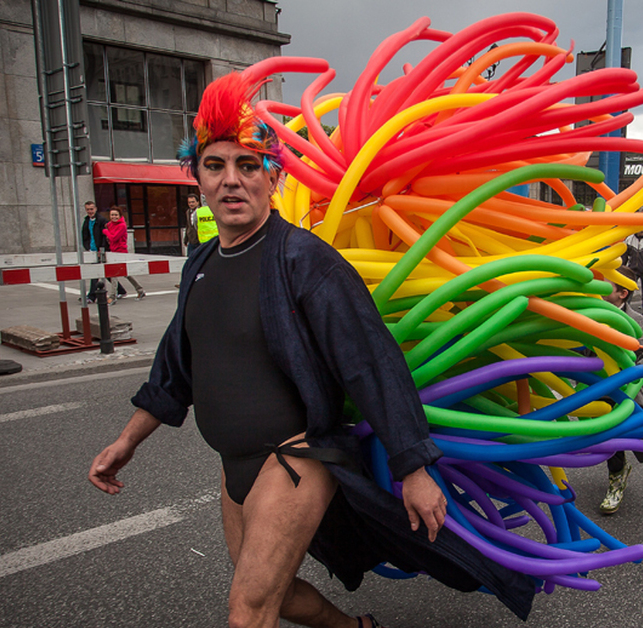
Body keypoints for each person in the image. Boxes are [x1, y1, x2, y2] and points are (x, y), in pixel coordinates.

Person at [86, 72, 535, 628]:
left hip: (293, 461)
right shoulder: (198, 267)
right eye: (215, 165)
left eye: (248, 166)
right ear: (195, 178)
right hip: (235, 468)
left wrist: (415, 468)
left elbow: (370, 363)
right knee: (268, 593)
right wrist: (126, 441)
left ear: (271, 177)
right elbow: (174, 371)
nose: (232, 181)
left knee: (247, 611)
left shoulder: (303, 261)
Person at [597, 266, 643, 513]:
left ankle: (616, 476)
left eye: (605, 285)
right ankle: (617, 467)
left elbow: (641, 347)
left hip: (623, 385)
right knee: (600, 431)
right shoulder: (588, 312)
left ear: (622, 293)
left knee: (617, 430)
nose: (598, 287)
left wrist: (628, 346)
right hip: (593, 382)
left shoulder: (634, 319)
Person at [79, 200, 128, 303]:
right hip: (92, 250)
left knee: (95, 272)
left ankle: (91, 296)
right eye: (88, 209)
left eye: (91, 209)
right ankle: (121, 290)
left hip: (101, 251)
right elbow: (85, 236)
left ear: (95, 209)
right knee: (106, 273)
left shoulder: (102, 220)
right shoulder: (86, 221)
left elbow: (106, 237)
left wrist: (101, 249)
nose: (90, 211)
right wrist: (87, 247)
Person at [101, 205, 147, 302]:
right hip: (113, 252)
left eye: (116, 215)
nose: (114, 217)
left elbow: (114, 238)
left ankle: (112, 296)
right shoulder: (110, 224)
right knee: (126, 273)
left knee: (113, 273)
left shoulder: (122, 225)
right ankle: (140, 289)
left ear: (120, 215)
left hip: (121, 252)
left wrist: (105, 232)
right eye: (112, 215)